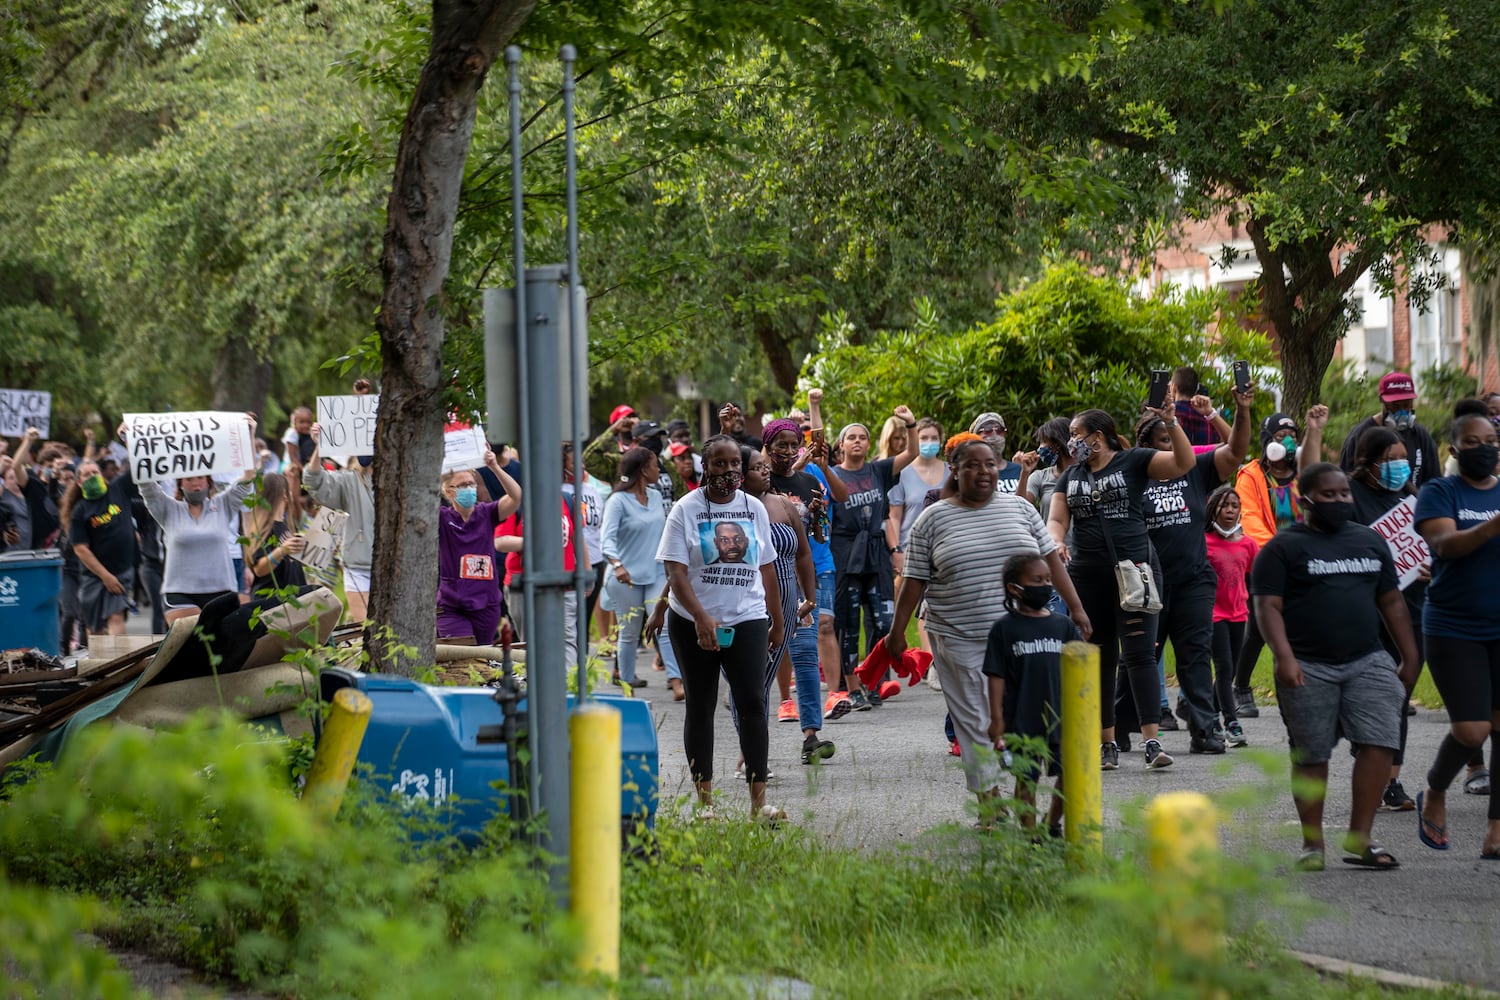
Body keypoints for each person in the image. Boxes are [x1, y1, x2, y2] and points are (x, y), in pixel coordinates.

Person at [889, 437, 1090, 804]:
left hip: (1020, 634)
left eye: (990, 464)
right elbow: (915, 579)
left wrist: (1076, 608)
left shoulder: (1020, 508)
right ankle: (990, 803)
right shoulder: (933, 518)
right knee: (975, 721)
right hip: (959, 635)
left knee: (1020, 715)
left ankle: (1023, 795)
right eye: (972, 465)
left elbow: (1050, 558)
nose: (983, 472)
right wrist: (897, 632)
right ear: (954, 471)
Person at [1253, 463, 1418, 871]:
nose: (1341, 500)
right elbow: (1268, 606)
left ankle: (1360, 839)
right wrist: (1284, 657)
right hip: (1307, 665)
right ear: (1305, 501)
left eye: (1344, 493)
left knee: (1381, 741)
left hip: (1368, 659)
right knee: (1311, 754)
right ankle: (1313, 845)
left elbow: (1391, 600)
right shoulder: (1283, 547)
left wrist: (1409, 655)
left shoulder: (1370, 541)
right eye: (1329, 495)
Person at [1046, 402, 1194, 770]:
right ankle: (1107, 744)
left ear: (1097, 437)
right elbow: (1057, 519)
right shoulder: (1071, 476)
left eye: (1076, 435)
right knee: (1099, 657)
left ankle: (1152, 742)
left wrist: (1171, 423)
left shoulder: (1134, 461)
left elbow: (1183, 462)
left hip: (1134, 573)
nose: (1071, 442)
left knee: (1140, 656)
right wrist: (1057, 540)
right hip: (1087, 576)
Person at [656, 434, 785, 821]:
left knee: (753, 704)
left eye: (734, 465)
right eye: (719, 464)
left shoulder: (754, 507)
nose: (728, 471)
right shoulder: (685, 509)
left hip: (747, 617)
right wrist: (700, 617)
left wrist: (777, 620)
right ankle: (705, 804)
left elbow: (766, 568)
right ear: (705, 467)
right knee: (701, 705)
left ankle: (759, 805)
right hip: (691, 621)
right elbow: (675, 571)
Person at [1129, 382, 1254, 754]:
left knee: (1196, 654)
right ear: (1145, 446)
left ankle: (1204, 729)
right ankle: (1118, 728)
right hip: (1147, 581)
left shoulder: (1195, 469)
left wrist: (1239, 410)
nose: (1172, 446)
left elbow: (1236, 451)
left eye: (1174, 439)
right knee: (1140, 655)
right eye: (1164, 441)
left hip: (1193, 580)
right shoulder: (1134, 474)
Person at [1413, 408, 1500, 858]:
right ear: (1454, 449)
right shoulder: (1440, 491)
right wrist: (1493, 525)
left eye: (1491, 441)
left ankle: (1496, 832)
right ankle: (1435, 789)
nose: (1484, 448)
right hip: (1453, 627)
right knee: (1471, 730)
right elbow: (1444, 544)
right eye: (1473, 442)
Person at [1344, 424, 1428, 812]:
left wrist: (1431, 566)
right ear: (1370, 462)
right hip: (1365, 611)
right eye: (1391, 460)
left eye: (1404, 460)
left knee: (1398, 694)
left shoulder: (1414, 498)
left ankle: (1390, 780)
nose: (1400, 467)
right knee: (1373, 694)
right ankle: (1371, 758)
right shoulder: (1349, 494)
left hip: (1410, 609)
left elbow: (1435, 545)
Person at [829, 406, 919, 711]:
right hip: (846, 554)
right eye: (851, 437)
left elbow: (912, 453)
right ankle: (852, 688)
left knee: (883, 622)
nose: (857, 441)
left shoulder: (878, 470)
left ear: (869, 444)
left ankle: (875, 681)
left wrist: (910, 424)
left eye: (862, 437)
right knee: (849, 625)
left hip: (876, 552)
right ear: (841, 445)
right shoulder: (833, 475)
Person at [742, 446, 828, 765]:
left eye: (764, 467)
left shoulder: (786, 501)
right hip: (752, 603)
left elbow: (806, 551)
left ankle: (811, 736)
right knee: (756, 677)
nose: (765, 470)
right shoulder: (735, 507)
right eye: (757, 467)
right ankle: (750, 753)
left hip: (792, 598)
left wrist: (810, 598)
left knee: (804, 656)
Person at [985, 552, 1081, 834]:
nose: (1046, 585)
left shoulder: (1063, 626)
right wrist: (997, 719)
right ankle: (1029, 837)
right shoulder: (1004, 629)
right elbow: (996, 676)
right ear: (1015, 588)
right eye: (1037, 580)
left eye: (1048, 580)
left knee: (1070, 775)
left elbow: (1079, 670)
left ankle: (1051, 825)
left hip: (1060, 719)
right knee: (1027, 779)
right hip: (1021, 720)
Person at [132, 416, 258, 624]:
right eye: (189, 479)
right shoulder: (169, 509)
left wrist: (249, 435)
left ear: (209, 482)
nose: (196, 484)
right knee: (190, 640)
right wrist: (133, 441)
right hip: (179, 592)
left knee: (220, 643)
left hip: (221, 590)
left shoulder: (223, 505)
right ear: (180, 484)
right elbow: (146, 484)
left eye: (200, 478)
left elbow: (248, 477)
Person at [1231, 411, 1306, 717]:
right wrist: (1279, 556)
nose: (1288, 443)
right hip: (1265, 561)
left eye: (1293, 437)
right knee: (1258, 629)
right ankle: (1240, 686)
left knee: (1301, 625)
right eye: (1280, 437)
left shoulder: (1306, 472)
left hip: (1303, 562)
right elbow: (1250, 521)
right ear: (1267, 441)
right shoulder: (1250, 476)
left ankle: (1297, 688)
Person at [599, 446, 673, 692]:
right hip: (625, 578)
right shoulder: (618, 501)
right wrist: (617, 565)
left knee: (664, 625)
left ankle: (677, 680)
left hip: (656, 572)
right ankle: (627, 680)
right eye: (654, 465)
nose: (658, 469)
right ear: (643, 470)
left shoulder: (655, 497)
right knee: (629, 632)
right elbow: (606, 540)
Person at [437, 446, 521, 644]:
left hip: (486, 604)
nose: (469, 488)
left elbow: (516, 496)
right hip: (452, 605)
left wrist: (494, 467)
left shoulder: (486, 513)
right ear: (449, 491)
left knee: (481, 657)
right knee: (462, 655)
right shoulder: (442, 517)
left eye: (471, 484)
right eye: (462, 485)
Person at [887, 418, 947, 654]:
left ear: (941, 441)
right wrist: (896, 550)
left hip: (943, 548)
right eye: (924, 438)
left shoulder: (951, 471)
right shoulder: (902, 473)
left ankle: (931, 659)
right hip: (911, 550)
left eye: (934, 438)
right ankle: (919, 658)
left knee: (932, 605)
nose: (929, 442)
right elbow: (894, 516)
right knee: (908, 607)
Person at [304, 423, 374, 623]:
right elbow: (314, 481)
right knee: (365, 627)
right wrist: (319, 447)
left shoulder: (403, 479)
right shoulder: (350, 481)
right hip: (358, 565)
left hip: (394, 566)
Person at [1204, 486, 1253, 748]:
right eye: (1224, 505)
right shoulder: (1203, 542)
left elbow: (1254, 577)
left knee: (1230, 669)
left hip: (1239, 614)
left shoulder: (1248, 544)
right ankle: (1231, 722)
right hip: (1214, 614)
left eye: (1234, 506)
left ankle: (1209, 714)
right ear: (1213, 509)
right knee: (1223, 667)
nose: (1230, 510)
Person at [66, 456, 137, 637]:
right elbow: (80, 549)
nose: (92, 476)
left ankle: (122, 656)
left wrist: (131, 443)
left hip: (121, 571)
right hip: (94, 576)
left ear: (102, 475)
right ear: (79, 482)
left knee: (115, 616)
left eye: (95, 472)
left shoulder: (119, 488)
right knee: (95, 629)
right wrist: (105, 576)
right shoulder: (79, 511)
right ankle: (102, 657)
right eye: (86, 474)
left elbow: (139, 465)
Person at [1337, 371, 1443, 487]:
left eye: (1406, 405)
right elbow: (1346, 481)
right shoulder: (1360, 435)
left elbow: (1434, 480)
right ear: (1382, 401)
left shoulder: (1420, 436)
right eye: (1395, 406)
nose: (1402, 412)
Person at [242, 471, 307, 596]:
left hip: (292, 597)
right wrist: (281, 551)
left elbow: (291, 563)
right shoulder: (264, 528)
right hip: (273, 600)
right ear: (284, 494)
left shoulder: (287, 525)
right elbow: (259, 570)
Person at [969, 412, 1030, 497]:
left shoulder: (1019, 470)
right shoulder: (971, 472)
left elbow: (1026, 502)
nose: (994, 433)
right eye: (987, 429)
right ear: (976, 437)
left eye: (999, 430)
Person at [1172, 367, 1220, 446]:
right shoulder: (1211, 418)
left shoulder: (1168, 414)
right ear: (1196, 390)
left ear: (1174, 387)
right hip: (1207, 454)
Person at [281, 406, 316, 472]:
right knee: (294, 471)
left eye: (308, 422)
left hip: (300, 463)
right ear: (294, 422)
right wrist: (303, 470)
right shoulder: (292, 434)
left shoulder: (305, 433)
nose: (306, 425)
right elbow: (292, 456)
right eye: (301, 422)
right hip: (289, 464)